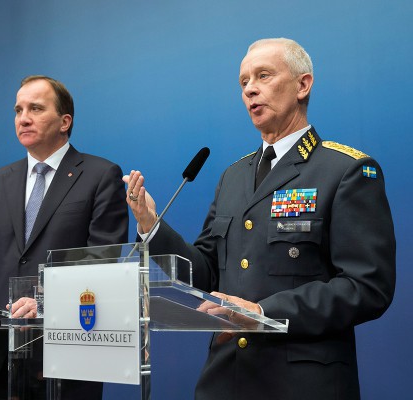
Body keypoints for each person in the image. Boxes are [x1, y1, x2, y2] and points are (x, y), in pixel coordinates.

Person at [124, 38, 396, 400]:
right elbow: (205, 272)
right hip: (225, 380)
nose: (250, 88)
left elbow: (366, 288)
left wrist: (264, 312)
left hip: (302, 384)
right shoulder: (233, 177)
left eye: (263, 76)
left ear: (303, 85)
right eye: (243, 82)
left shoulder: (345, 170)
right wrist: (150, 225)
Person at [0, 75, 129, 400]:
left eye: (35, 108)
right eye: (18, 109)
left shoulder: (99, 175)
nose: (23, 117)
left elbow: (102, 257)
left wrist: (48, 298)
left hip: (69, 347)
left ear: (65, 121)